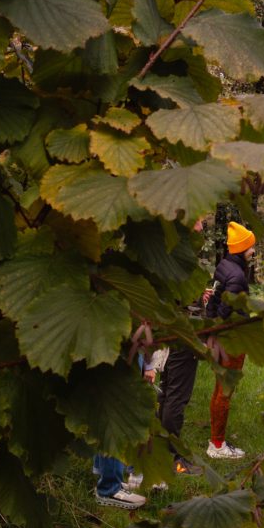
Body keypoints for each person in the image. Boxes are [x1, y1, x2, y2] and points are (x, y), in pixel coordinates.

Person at [157, 216, 211, 477]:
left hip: (171, 331)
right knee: (175, 395)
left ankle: (161, 449)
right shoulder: (180, 255)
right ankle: (173, 458)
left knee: (167, 392)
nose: (202, 227)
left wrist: (197, 295)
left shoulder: (168, 251)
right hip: (180, 335)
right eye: (198, 222)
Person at [204, 221, 255, 459]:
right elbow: (226, 310)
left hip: (220, 337)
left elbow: (214, 302)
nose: (253, 251)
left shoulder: (225, 265)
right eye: (251, 247)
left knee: (219, 390)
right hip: (231, 340)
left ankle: (216, 438)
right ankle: (217, 445)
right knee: (225, 391)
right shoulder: (236, 275)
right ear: (242, 248)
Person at [94, 358, 156, 508]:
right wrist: (150, 364)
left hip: (126, 352)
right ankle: (109, 488)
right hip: (119, 353)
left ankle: (106, 475)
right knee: (117, 414)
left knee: (115, 410)